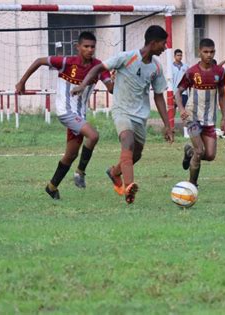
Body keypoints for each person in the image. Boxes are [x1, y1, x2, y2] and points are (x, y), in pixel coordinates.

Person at [71, 25, 174, 204]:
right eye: (163, 44)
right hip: (122, 110)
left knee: (137, 154)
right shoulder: (127, 57)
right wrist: (82, 85)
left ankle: (114, 172)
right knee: (128, 141)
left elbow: (158, 96)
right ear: (154, 42)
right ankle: (129, 187)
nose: (165, 48)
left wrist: (167, 125)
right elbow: (98, 68)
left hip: (140, 115)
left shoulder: (156, 68)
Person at [16, 31, 113, 200]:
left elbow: (111, 88)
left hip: (79, 116)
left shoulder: (98, 67)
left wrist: (116, 79)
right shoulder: (67, 62)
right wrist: (22, 81)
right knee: (93, 135)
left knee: (71, 155)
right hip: (65, 112)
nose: (90, 50)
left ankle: (52, 187)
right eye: (86, 46)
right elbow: (39, 61)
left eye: (92, 47)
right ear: (78, 47)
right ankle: (80, 172)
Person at [176, 38, 225, 186]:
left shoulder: (220, 72)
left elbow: (222, 95)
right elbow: (178, 92)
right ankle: (192, 185)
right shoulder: (192, 72)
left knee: (210, 155)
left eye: (212, 52)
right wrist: (181, 109)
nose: (209, 55)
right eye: (205, 52)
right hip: (192, 116)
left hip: (210, 119)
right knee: (200, 150)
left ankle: (189, 152)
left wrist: (224, 118)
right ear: (200, 52)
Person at [172, 49, 190, 138]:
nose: (180, 57)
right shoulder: (170, 67)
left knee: (184, 112)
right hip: (173, 93)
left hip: (183, 93)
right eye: (178, 55)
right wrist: (171, 93)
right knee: (172, 112)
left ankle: (186, 132)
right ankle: (170, 130)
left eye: (181, 55)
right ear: (174, 56)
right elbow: (169, 80)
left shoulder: (186, 67)